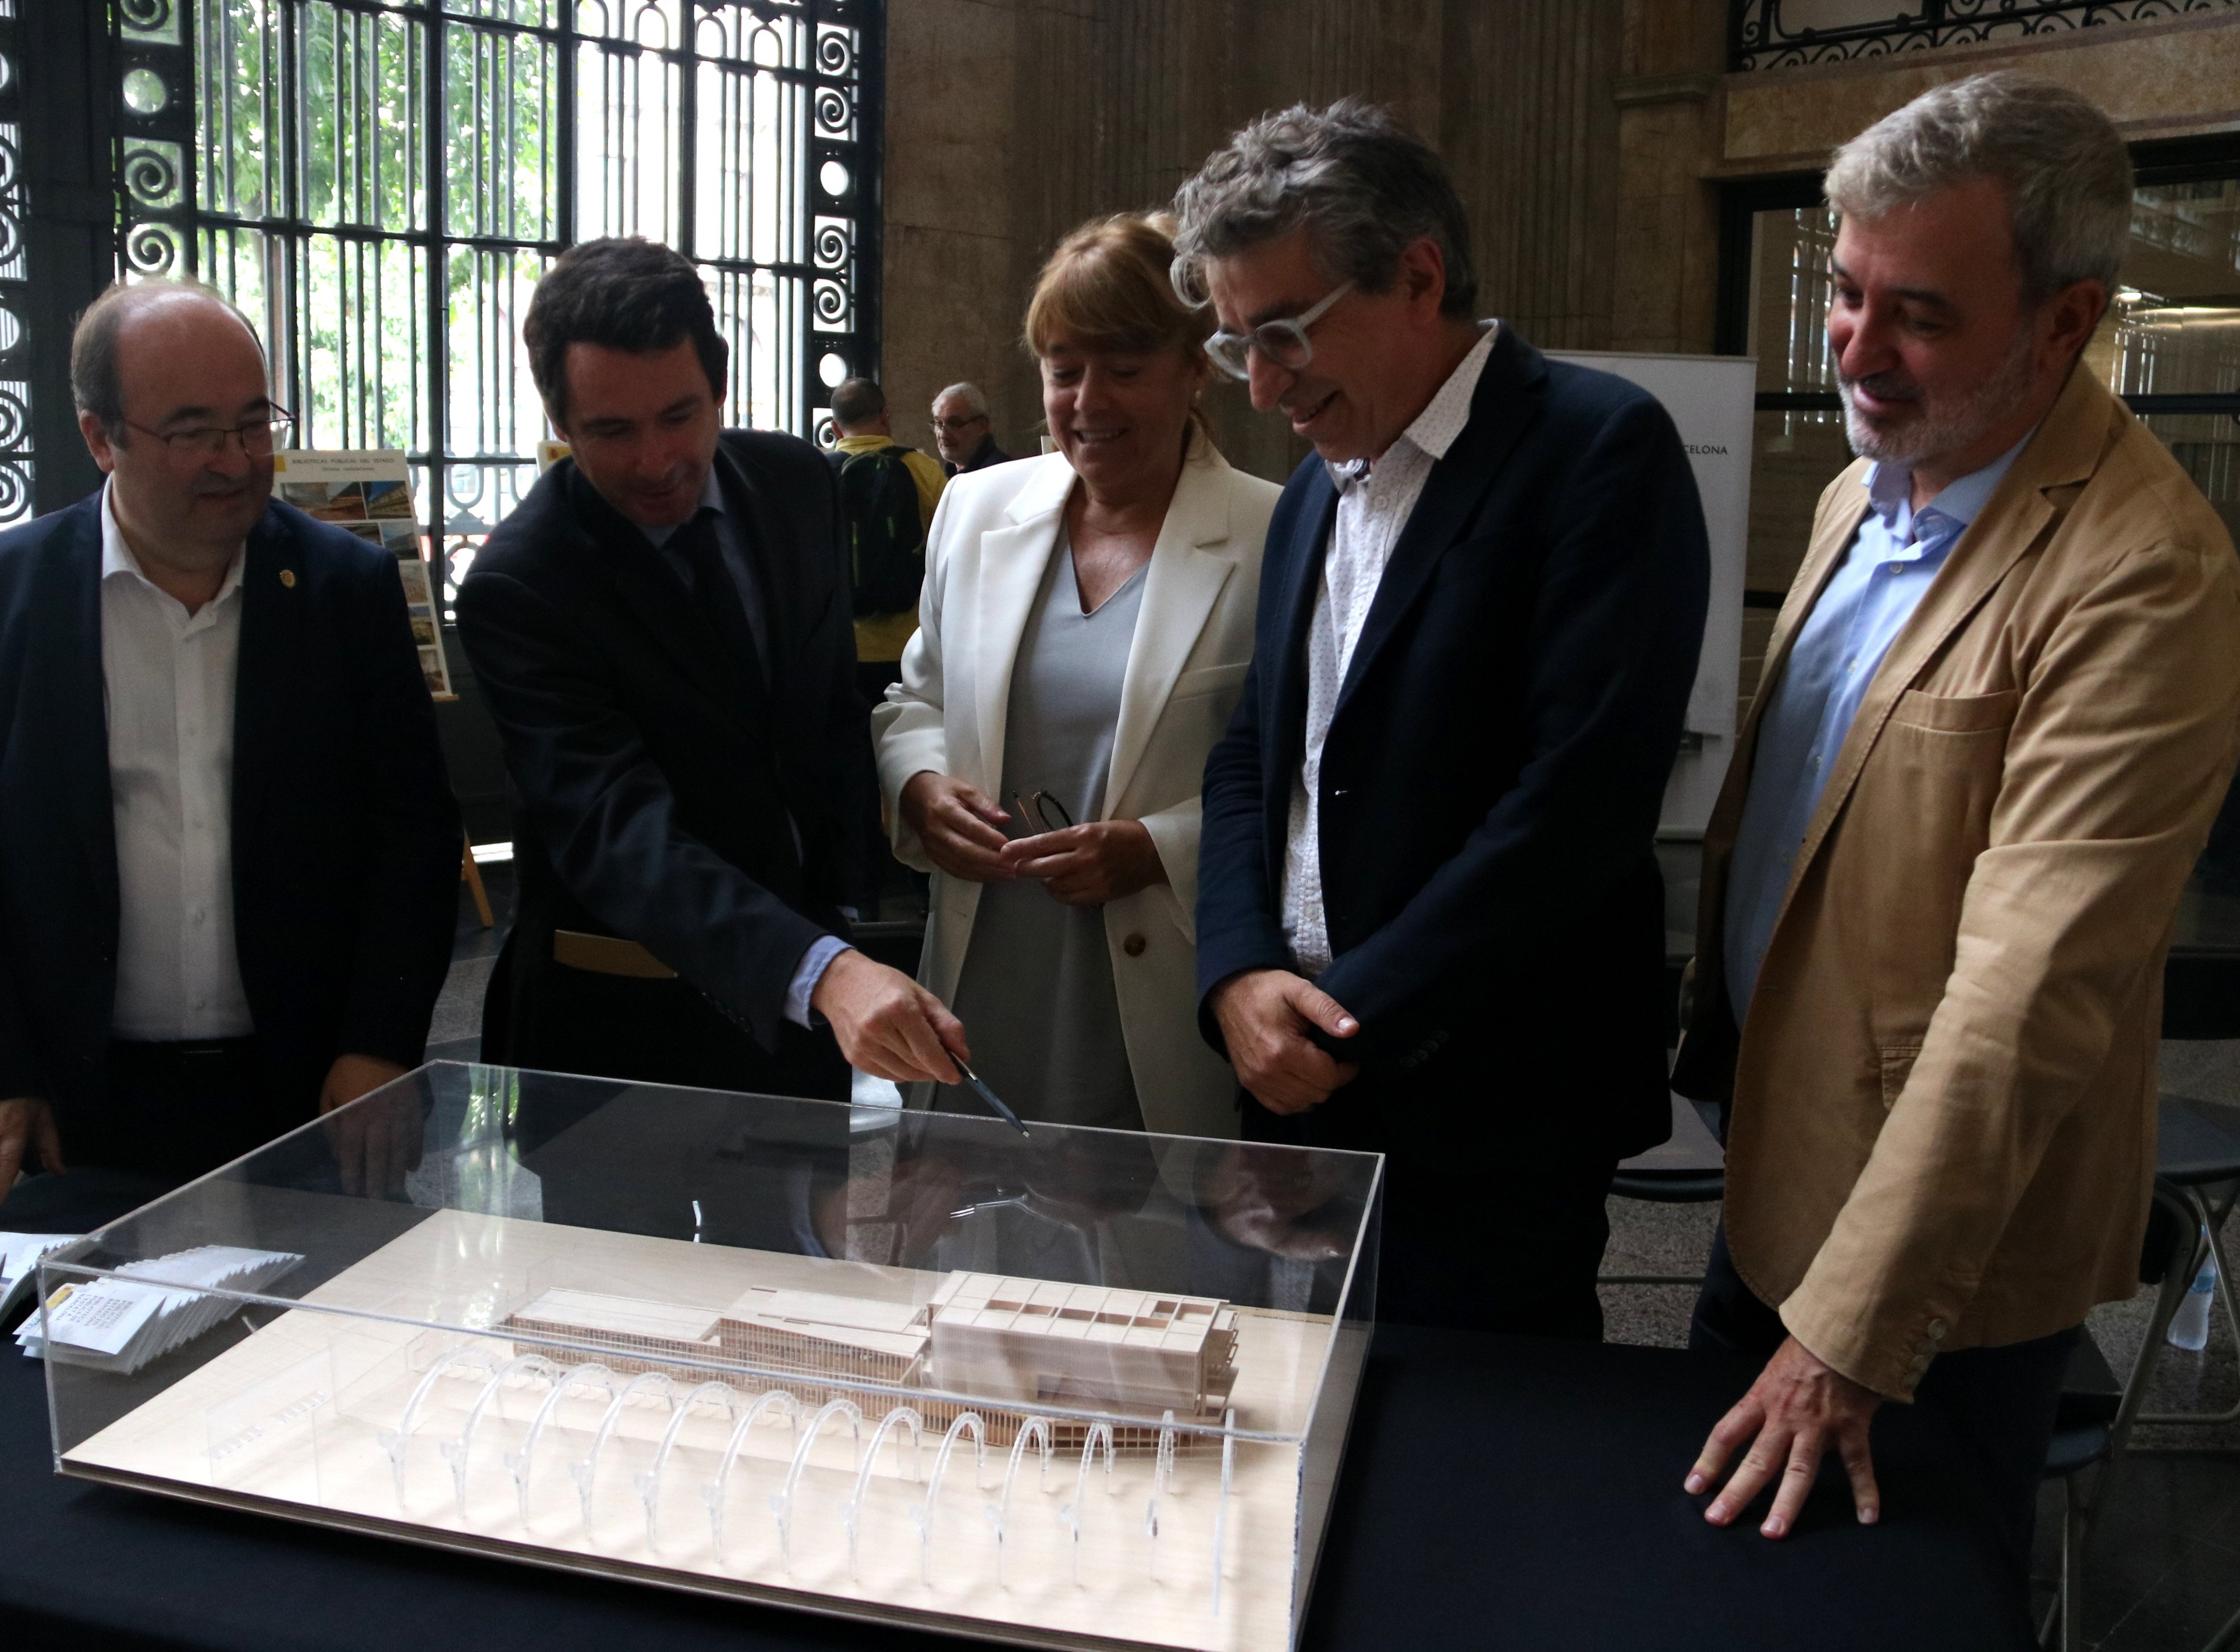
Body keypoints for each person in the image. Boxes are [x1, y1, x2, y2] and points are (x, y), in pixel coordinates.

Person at [1672, 74, 2240, 1573]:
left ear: (2065, 321)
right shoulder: (1864, 486)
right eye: (1845, 295)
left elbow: (2024, 995)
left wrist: (1848, 1338)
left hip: (1930, 1271)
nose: (1858, 348)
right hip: (1769, 1169)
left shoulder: (2141, 574)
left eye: (1916, 312)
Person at [1179, 99, 1709, 1334]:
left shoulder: (1597, 448)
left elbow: (1576, 802)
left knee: (1475, 1469)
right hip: (1299, 1077)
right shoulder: (1319, 484)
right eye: (1233, 346)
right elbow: (1260, 750)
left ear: (1418, 276)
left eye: (1284, 336)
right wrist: (1238, 971)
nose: (1261, 389)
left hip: (1487, 1099)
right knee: (1294, 1453)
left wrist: (1350, 1015)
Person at [0, 282, 463, 1209]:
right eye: (193, 431)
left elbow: (413, 835)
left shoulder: (341, 590)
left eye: (252, 422)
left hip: (307, 1092)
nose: (235, 461)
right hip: (74, 1102)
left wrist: (380, 1043)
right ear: (100, 437)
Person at [457, 238, 965, 1099]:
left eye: (679, 416)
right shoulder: (522, 583)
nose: (656, 461)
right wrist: (823, 968)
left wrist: (862, 860)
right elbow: (617, 831)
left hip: (801, 1021)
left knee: (802, 1237)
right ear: (559, 422)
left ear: (721, 387)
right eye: (611, 431)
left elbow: (823, 701)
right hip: (613, 1036)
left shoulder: (798, 480)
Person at [875, 214, 1280, 1136]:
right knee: (964, 1254)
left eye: (1125, 369)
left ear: (1196, 365)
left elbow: (1299, 782)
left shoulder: (1274, 534)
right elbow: (917, 701)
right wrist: (922, 785)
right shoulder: (975, 510)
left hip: (1159, 987)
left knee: (1153, 1262)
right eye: (1064, 370)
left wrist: (1157, 846)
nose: (1088, 401)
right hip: (984, 967)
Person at [828, 376, 947, 699]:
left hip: (840, 643)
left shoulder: (815, 474)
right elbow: (948, 550)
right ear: (884, 417)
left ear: (836, 429)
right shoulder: (923, 469)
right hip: (909, 643)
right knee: (905, 739)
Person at [931, 381, 1013, 475]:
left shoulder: (999, 473)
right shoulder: (949, 473)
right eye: (939, 424)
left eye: (954, 424)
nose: (943, 435)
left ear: (982, 426)